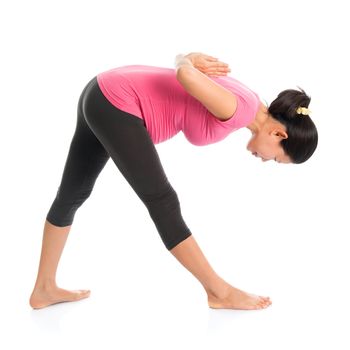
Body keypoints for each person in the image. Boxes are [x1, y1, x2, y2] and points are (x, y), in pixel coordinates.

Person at [29, 52, 318, 310]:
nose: (267, 162)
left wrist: (187, 58)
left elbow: (189, 76)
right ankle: (218, 291)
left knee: (72, 194)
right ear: (279, 136)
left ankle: (44, 288)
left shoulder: (251, 101)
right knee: (162, 200)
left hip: (101, 92)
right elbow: (185, 74)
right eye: (277, 159)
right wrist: (186, 59)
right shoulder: (239, 109)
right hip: (117, 103)